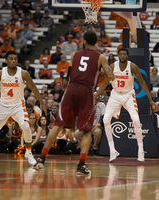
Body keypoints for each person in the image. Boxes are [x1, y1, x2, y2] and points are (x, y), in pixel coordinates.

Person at [33, 31, 115, 175]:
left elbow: (70, 74)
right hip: (87, 92)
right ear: (96, 42)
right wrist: (101, 75)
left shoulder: (75, 55)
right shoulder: (100, 57)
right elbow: (111, 76)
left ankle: (41, 159)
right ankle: (81, 165)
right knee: (87, 130)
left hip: (71, 89)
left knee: (58, 126)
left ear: (84, 42)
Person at [0, 51, 46, 165]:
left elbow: (33, 87)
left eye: (15, 59)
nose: (14, 61)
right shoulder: (0, 73)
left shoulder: (23, 73)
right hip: (3, 104)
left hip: (18, 104)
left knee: (25, 126)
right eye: (11, 59)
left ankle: (29, 153)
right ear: (6, 61)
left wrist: (42, 103)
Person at [98, 48, 156, 163]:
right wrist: (96, 95)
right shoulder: (113, 66)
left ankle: (140, 150)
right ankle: (112, 150)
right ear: (118, 56)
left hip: (128, 95)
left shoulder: (133, 67)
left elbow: (142, 82)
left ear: (127, 56)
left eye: (125, 54)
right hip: (115, 95)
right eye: (121, 54)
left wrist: (150, 100)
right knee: (105, 119)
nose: (123, 55)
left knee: (136, 119)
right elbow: (105, 83)